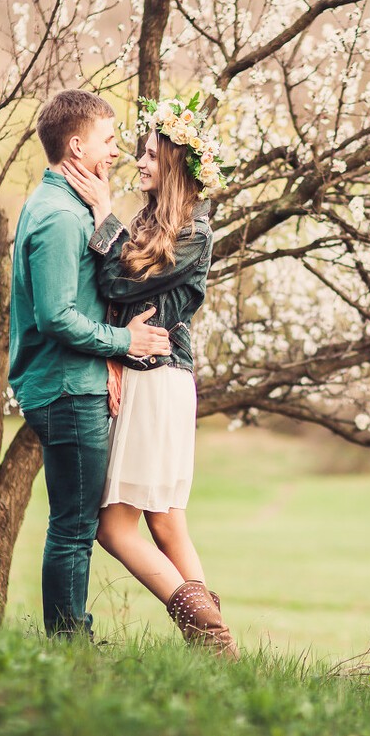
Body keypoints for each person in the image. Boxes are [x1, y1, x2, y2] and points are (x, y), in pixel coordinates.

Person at [62, 93, 238, 659]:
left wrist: (101, 214)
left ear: (178, 170)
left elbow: (117, 285)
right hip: (138, 371)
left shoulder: (196, 234)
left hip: (159, 380)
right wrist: (113, 354)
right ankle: (220, 651)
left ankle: (208, 636)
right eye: (139, 153)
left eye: (152, 156)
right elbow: (116, 295)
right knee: (166, 523)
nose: (139, 163)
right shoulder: (146, 222)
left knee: (114, 529)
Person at [9, 89, 172, 639]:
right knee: (74, 529)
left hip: (75, 382)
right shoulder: (56, 215)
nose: (117, 151)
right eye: (107, 140)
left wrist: (109, 361)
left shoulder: (71, 206)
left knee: (73, 525)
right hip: (64, 389)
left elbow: (97, 278)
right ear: (75, 145)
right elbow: (56, 316)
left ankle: (70, 636)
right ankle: (69, 643)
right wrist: (122, 343)